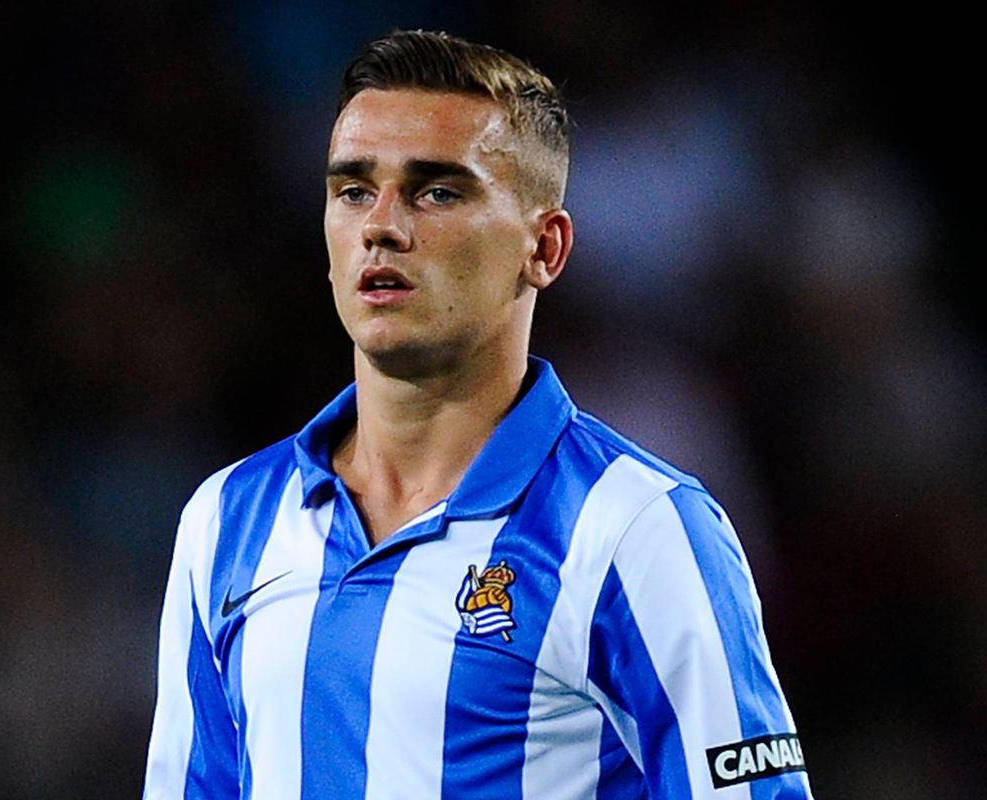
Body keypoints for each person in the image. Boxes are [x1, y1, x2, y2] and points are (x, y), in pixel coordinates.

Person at [143, 29, 813, 800]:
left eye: (437, 191)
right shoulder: (226, 521)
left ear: (545, 248)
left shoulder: (635, 528)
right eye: (353, 189)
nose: (382, 225)